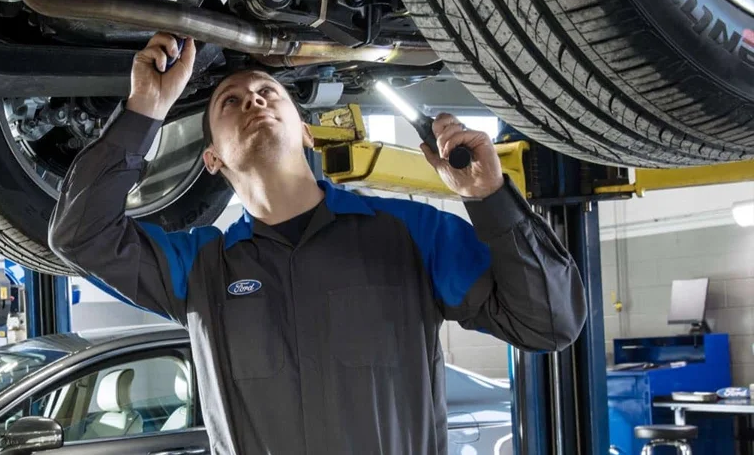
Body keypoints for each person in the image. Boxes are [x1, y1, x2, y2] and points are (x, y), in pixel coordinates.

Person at [49, 33, 587, 454]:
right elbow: (80, 235)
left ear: (308, 132)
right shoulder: (200, 268)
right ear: (212, 159)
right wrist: (145, 109)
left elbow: (549, 322)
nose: (253, 100)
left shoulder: (410, 235)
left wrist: (491, 196)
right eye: (230, 102)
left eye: (267, 93)